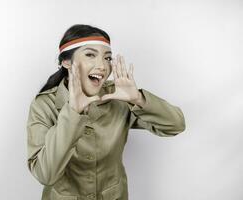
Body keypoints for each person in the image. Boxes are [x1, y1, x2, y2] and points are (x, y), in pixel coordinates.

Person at [26, 24, 186, 200]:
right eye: (90, 55)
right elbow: (45, 174)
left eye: (107, 58)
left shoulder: (117, 96)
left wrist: (137, 99)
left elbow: (175, 125)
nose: (102, 66)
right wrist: (73, 112)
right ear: (67, 62)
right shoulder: (43, 104)